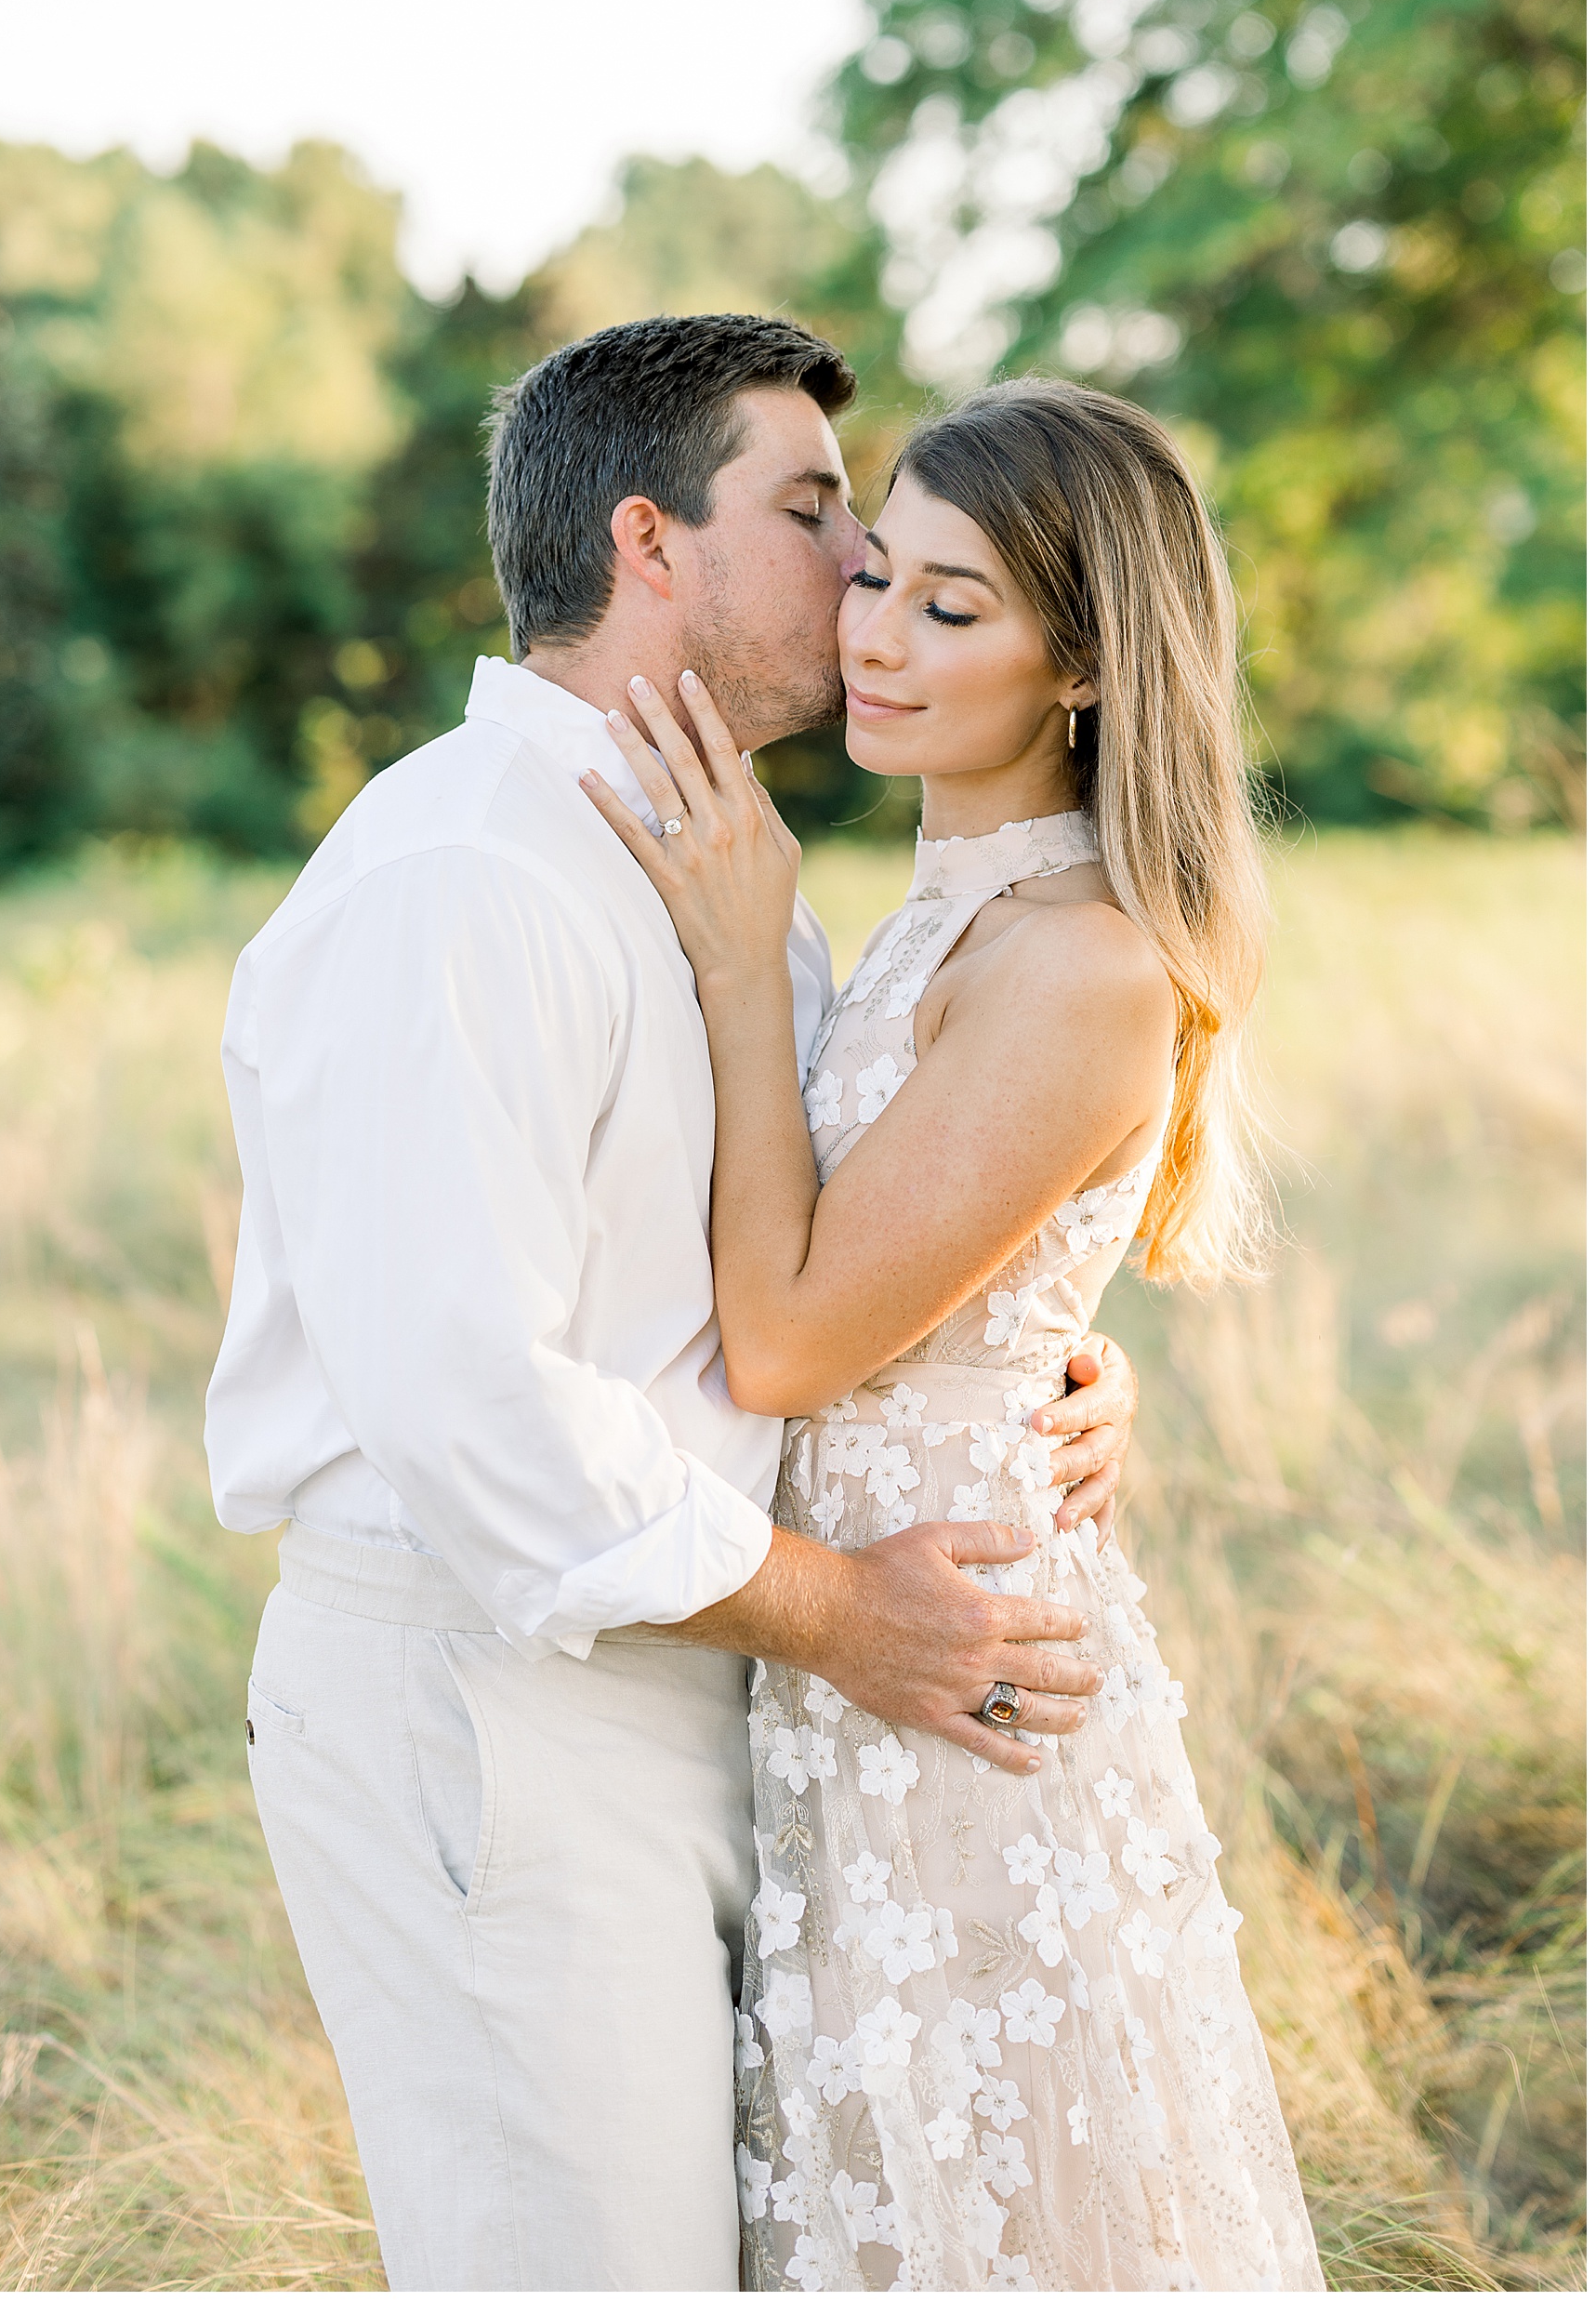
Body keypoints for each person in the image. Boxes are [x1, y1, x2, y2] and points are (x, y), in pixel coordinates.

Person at [204, 316, 1141, 2293]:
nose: (862, 565)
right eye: (812, 512)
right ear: (650, 540)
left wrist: (1026, 1358)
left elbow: (793, 1263)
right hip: (498, 1687)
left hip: (722, 1687)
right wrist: (844, 1613)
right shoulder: (468, 872)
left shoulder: (718, 868)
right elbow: (472, 1404)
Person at [583, 376, 1324, 2291]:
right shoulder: (938, 915)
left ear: (1084, 664)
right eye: (877, 576)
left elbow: (789, 1343)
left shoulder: (1080, 956)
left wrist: (738, 965)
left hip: (964, 1666)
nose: (879, 637)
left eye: (953, 604)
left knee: (1007, 2194)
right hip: (861, 1643)